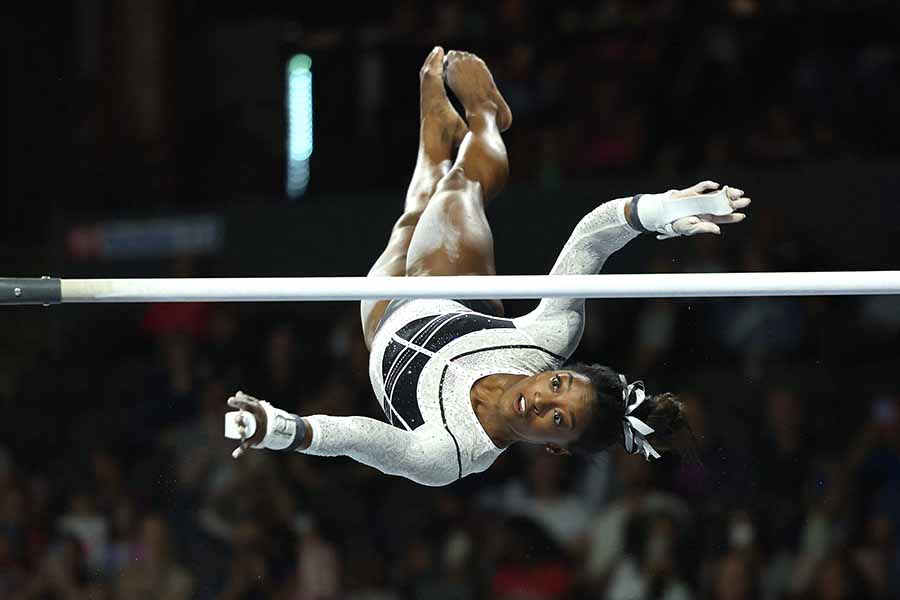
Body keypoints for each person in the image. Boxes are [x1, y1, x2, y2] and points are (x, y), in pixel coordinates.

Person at [225, 47, 750, 486]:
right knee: (458, 187)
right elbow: (591, 239)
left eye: (557, 420)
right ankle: (485, 117)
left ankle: (436, 135)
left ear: (555, 449)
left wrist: (277, 427)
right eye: (559, 386)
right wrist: (663, 211)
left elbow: (359, 439)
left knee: (413, 212)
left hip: (383, 324)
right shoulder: (547, 341)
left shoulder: (448, 454)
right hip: (451, 288)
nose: (542, 399)